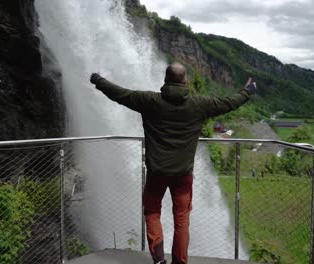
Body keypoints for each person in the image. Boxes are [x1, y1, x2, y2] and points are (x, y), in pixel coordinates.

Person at [90, 63, 256, 264]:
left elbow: (119, 94)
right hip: (183, 175)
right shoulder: (200, 104)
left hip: (156, 174)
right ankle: (180, 262)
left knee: (152, 212)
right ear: (185, 81)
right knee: (182, 220)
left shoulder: (149, 100)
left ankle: (159, 260)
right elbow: (229, 102)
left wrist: (98, 80)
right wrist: (248, 91)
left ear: (165, 79)